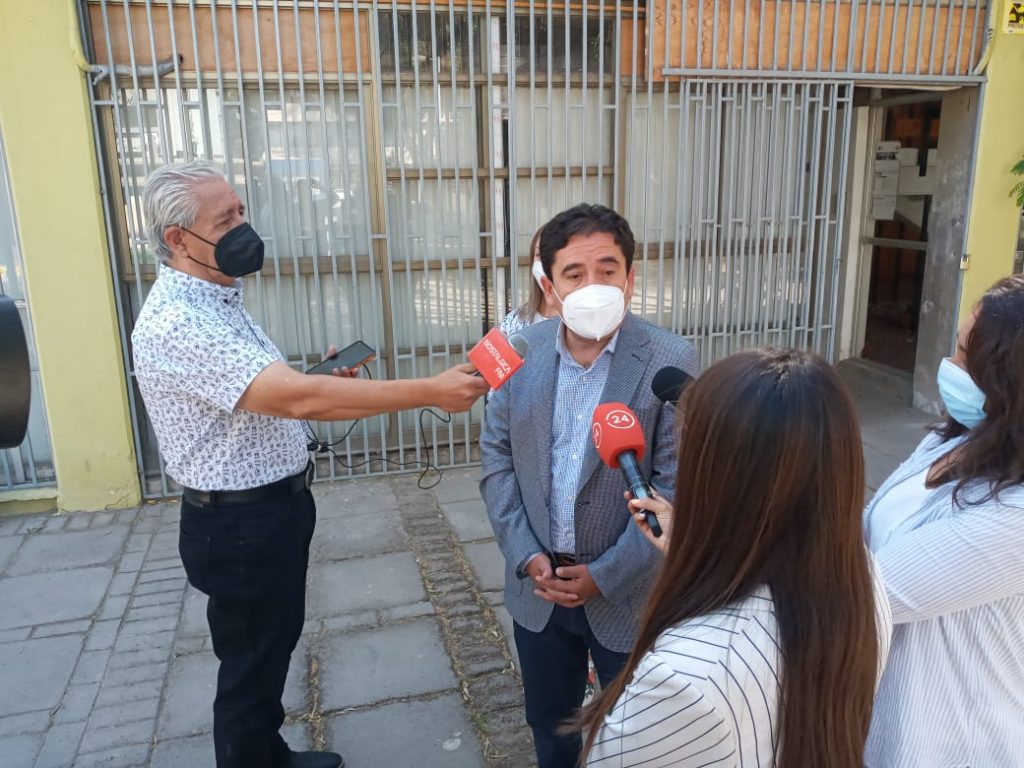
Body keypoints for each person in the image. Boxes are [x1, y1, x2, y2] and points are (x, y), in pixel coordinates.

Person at [131, 161, 488, 768]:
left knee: (269, 651)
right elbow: (295, 399)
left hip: (267, 514)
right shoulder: (180, 321)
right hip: (239, 528)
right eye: (225, 220)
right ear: (177, 239)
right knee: (251, 666)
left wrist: (320, 382)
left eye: (241, 211)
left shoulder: (217, 296)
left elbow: (266, 397)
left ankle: (266, 754)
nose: (244, 227)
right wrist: (430, 390)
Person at [577, 350, 891, 768]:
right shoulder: (862, 577)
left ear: (720, 480)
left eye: (688, 447)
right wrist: (691, 548)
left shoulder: (686, 677)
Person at [479, 203, 699, 768]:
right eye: (575, 274)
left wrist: (605, 575)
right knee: (551, 726)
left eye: (608, 270)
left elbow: (675, 485)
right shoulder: (517, 352)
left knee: (634, 732)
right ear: (549, 286)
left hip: (629, 592)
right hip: (538, 590)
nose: (593, 286)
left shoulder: (671, 359)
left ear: (631, 277)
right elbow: (496, 459)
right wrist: (526, 554)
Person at [863, 274, 1024, 767]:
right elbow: (867, 528)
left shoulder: (1015, 517)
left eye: (964, 355)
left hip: (951, 743)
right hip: (886, 719)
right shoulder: (951, 439)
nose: (948, 367)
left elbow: (869, 592)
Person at [498, 225, 558, 337]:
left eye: (554, 255)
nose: (546, 261)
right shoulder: (514, 321)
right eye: (540, 255)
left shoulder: (581, 325)